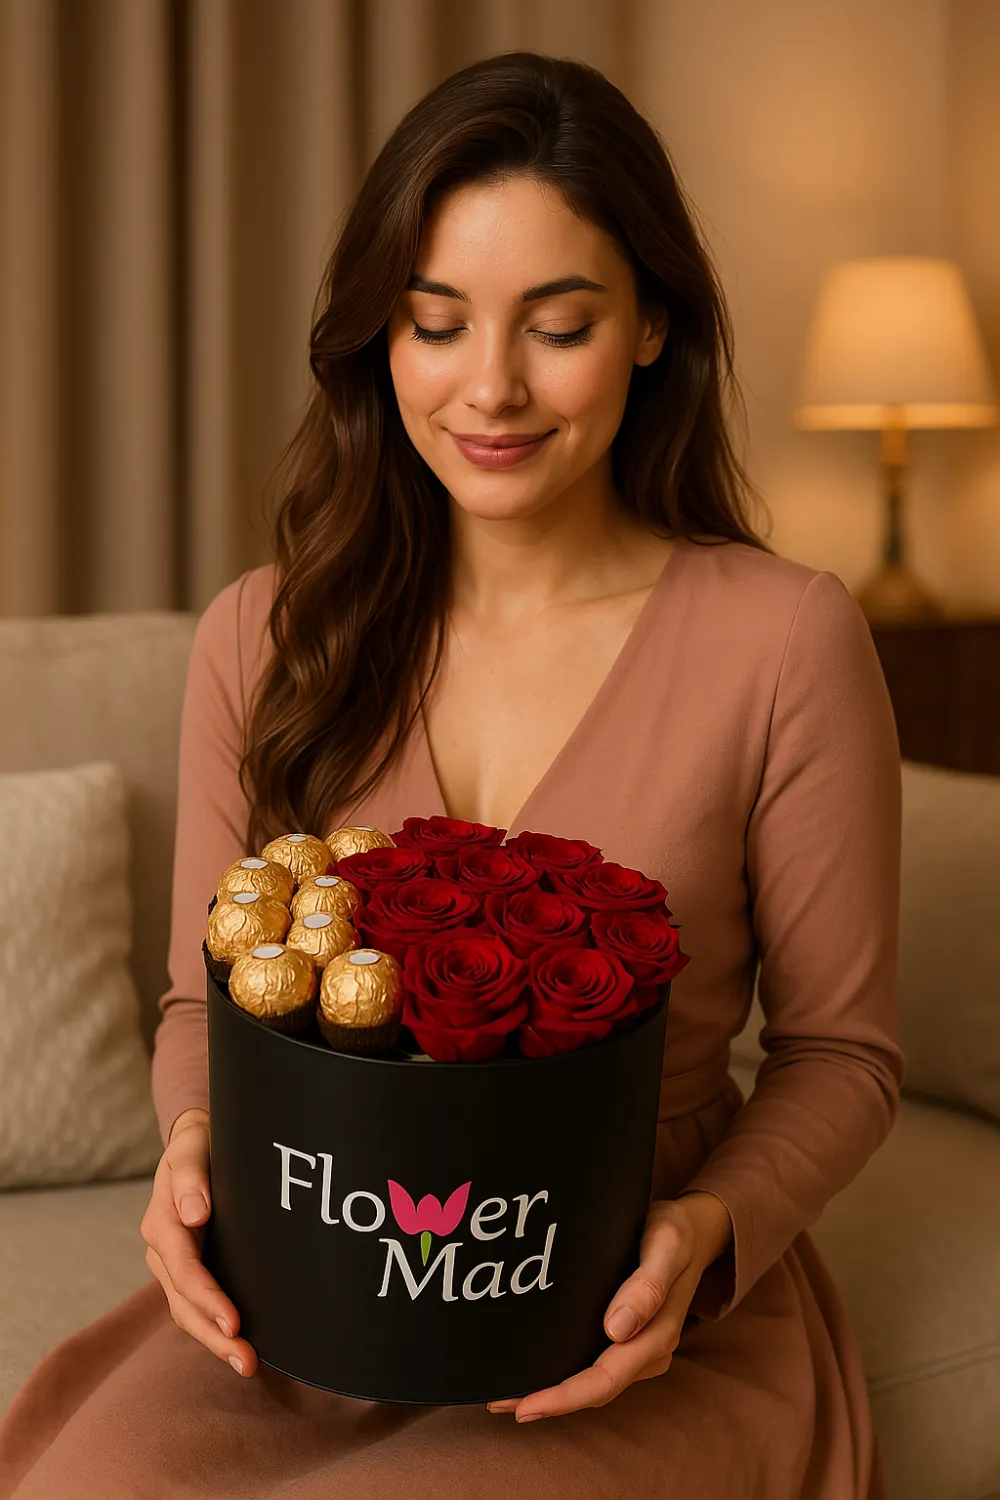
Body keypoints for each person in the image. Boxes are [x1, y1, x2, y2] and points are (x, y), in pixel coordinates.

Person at [0, 49, 904, 1500]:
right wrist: (191, 1158)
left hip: (619, 1303)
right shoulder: (265, 630)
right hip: (310, 1272)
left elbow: (842, 1055)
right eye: (436, 324)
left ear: (654, 326)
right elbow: (198, 1001)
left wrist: (707, 1233)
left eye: (558, 327)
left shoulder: (784, 638)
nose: (491, 387)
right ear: (379, 338)